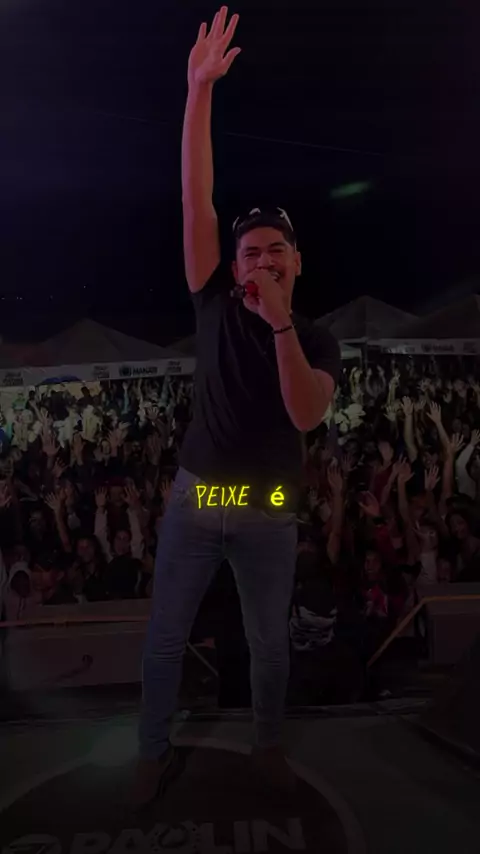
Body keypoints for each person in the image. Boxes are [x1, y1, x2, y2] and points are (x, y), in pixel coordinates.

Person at [132, 6, 340, 807]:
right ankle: (152, 753)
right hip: (200, 497)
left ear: (296, 263)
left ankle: (267, 745)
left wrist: (279, 324)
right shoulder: (213, 302)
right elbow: (197, 197)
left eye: (274, 250)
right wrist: (198, 91)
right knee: (164, 638)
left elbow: (307, 415)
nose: (259, 259)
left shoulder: (314, 337)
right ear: (234, 264)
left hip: (268, 506)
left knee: (267, 644)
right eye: (249, 251)